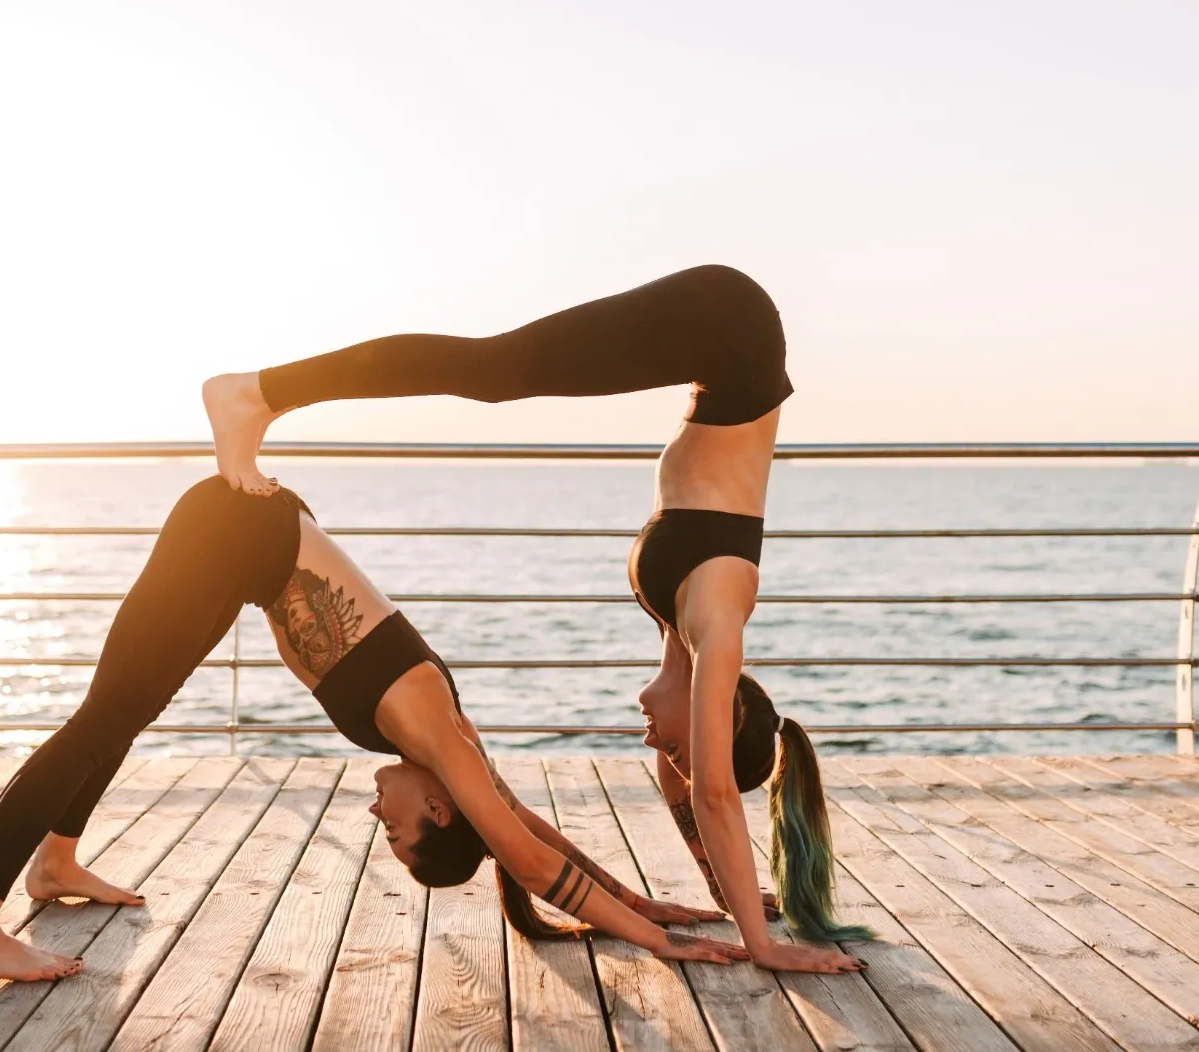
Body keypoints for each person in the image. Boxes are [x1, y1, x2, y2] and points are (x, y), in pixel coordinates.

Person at [205, 265, 874, 974]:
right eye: (679, 744)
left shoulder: (682, 634)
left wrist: (710, 895)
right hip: (731, 326)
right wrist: (761, 946)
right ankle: (258, 393)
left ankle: (262, 394)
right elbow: (710, 792)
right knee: (495, 370)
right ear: (725, 712)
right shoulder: (718, 627)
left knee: (496, 371)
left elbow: (687, 789)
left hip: (721, 350)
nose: (657, 745)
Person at [0, 476, 743, 982]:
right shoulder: (438, 735)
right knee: (103, 717)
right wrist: (656, 942)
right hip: (235, 532)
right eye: (395, 831)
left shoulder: (449, 750)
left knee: (125, 709)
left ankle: (55, 861)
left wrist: (639, 901)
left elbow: (524, 831)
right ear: (439, 808)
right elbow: (529, 861)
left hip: (247, 548)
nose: (376, 815)